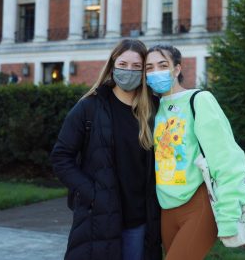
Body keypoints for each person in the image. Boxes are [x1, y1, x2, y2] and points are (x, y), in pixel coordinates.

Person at [50, 39, 162, 260]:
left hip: (139, 222)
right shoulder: (89, 107)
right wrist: (93, 194)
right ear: (112, 66)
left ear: (143, 72)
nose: (128, 71)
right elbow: (61, 157)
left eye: (136, 66)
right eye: (123, 64)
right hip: (98, 218)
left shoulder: (154, 110)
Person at [145, 44, 245, 259]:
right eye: (149, 68)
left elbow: (226, 158)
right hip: (166, 207)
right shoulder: (155, 106)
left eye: (163, 65)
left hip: (197, 203)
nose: (156, 72)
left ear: (177, 69)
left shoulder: (199, 100)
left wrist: (228, 215)